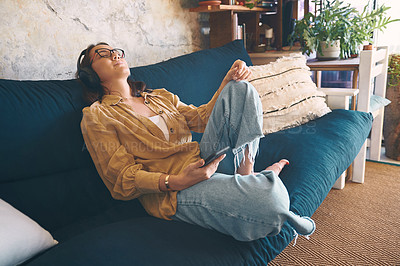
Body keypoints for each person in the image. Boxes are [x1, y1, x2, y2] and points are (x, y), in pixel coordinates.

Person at [77, 42, 315, 241]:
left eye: (116, 51)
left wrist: (227, 80)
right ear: (90, 75)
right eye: (103, 54)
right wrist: (177, 180)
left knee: (240, 88)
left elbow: (201, 120)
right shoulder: (97, 116)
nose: (115, 54)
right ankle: (264, 184)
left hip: (203, 160)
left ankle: (248, 175)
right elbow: (121, 180)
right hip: (173, 191)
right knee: (269, 203)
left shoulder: (160, 97)